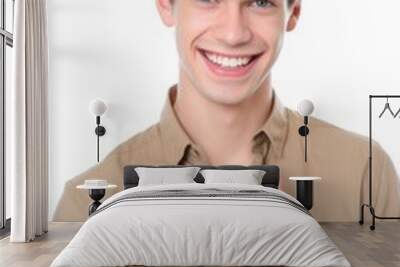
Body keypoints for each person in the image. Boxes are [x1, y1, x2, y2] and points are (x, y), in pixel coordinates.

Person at [53, 0, 400, 222]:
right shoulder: (81, 205)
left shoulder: (365, 173)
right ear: (164, 5)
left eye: (261, 2)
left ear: (292, 13)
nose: (233, 34)